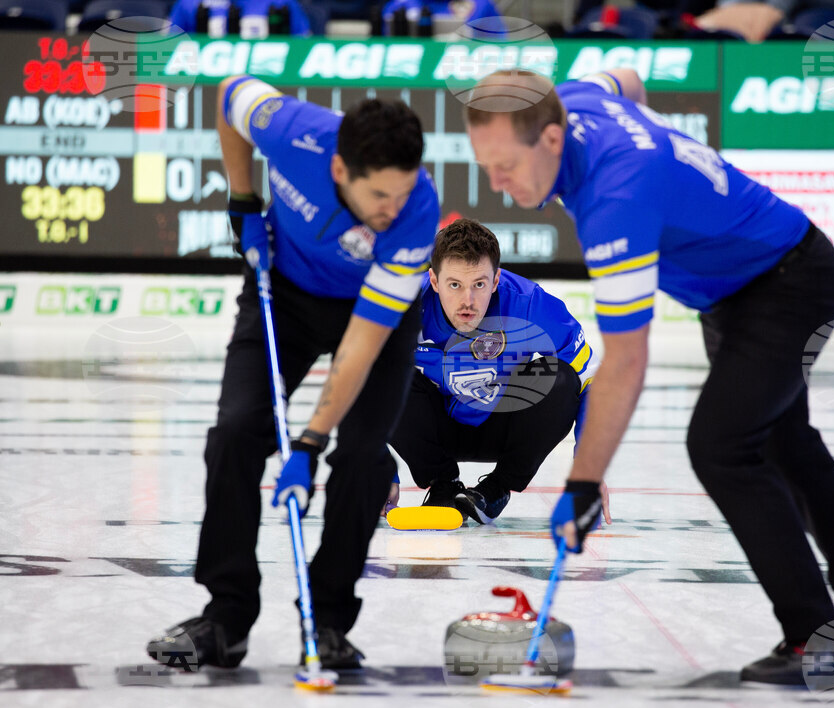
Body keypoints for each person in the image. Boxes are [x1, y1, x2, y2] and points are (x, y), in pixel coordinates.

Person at [463, 68, 834, 686]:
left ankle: (818, 638)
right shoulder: (576, 98)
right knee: (789, 446)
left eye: (505, 166)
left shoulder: (615, 198)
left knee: (722, 446)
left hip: (785, 285)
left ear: (550, 139)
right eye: (484, 166)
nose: (496, 183)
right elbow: (625, 78)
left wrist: (584, 481)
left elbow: (624, 362)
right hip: (745, 287)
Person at [146, 75, 440, 672]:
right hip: (284, 292)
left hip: (375, 317)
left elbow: (359, 345)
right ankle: (225, 617)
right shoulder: (291, 131)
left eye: (402, 193)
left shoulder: (416, 215)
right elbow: (229, 96)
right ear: (339, 170)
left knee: (362, 456)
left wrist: (309, 442)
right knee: (236, 432)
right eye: (380, 195)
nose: (393, 209)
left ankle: (327, 618)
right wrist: (243, 200)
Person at [387, 217, 610, 525]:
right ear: (434, 281)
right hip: (437, 428)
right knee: (384, 378)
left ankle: (496, 488)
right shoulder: (404, 305)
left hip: (504, 426)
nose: (468, 300)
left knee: (561, 378)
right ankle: (442, 485)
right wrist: (376, 463)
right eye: (454, 285)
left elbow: (591, 378)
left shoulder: (529, 303)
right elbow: (359, 374)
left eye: (479, 284)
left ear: (495, 280)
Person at [169, 0, 312, 38]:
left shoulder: (282, 3)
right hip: (207, 83)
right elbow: (170, 47)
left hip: (266, 79)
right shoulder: (189, 3)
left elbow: (302, 48)